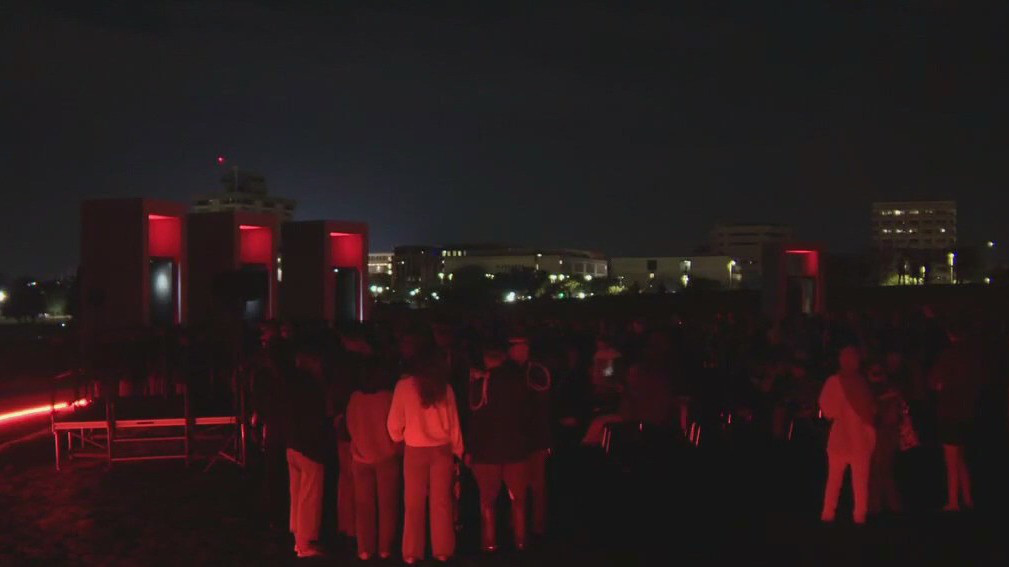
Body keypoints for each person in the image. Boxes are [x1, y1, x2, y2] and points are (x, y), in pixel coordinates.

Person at [388, 350, 464, 564]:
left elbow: (394, 423)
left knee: (413, 503)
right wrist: (458, 450)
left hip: (414, 449)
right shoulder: (445, 388)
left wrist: (398, 437)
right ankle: (443, 550)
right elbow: (454, 423)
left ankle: (412, 552)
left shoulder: (403, 387)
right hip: (441, 449)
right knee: (441, 503)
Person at [467, 339, 534, 552]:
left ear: (486, 359)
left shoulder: (480, 383)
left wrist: (470, 450)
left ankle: (489, 543)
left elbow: (475, 421)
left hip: (486, 452)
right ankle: (521, 540)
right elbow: (526, 416)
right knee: (519, 500)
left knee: (488, 501)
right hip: (516, 450)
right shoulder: (518, 382)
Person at [345, 334, 401, 561]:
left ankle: (364, 549)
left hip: (360, 456)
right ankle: (385, 547)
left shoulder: (355, 398)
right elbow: (395, 425)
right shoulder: (388, 397)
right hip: (386, 456)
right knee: (387, 506)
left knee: (363, 506)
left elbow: (349, 425)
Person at [819, 345, 877, 525]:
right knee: (860, 482)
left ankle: (828, 513)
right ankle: (860, 515)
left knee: (834, 479)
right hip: (860, 437)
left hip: (839, 437)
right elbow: (870, 411)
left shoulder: (833, 382)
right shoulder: (862, 383)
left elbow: (827, 410)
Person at [929, 323, 982, 512]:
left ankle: (953, 502)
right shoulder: (973, 357)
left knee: (951, 460)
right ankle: (967, 498)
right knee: (961, 458)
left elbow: (936, 383)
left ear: (949, 334)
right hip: (967, 414)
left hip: (950, 412)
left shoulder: (947, 357)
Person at [283, 345, 330, 559]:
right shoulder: (312, 386)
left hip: (293, 444)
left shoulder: (291, 385)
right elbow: (317, 419)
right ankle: (305, 544)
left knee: (297, 495)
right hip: (310, 447)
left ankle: (298, 540)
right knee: (309, 497)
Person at [866, 359, 902, 515]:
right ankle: (888, 505)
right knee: (882, 469)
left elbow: (879, 413)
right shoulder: (890, 389)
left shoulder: (876, 390)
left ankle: (877, 505)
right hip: (886, 432)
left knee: (878, 469)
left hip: (882, 432)